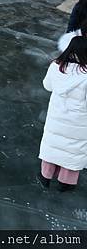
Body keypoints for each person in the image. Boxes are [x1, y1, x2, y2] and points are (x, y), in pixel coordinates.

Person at [38, 35, 87, 191]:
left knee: (52, 145)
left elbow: (48, 86)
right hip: (79, 123)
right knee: (73, 150)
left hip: (57, 117)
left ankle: (45, 176)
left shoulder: (56, 66)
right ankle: (66, 183)